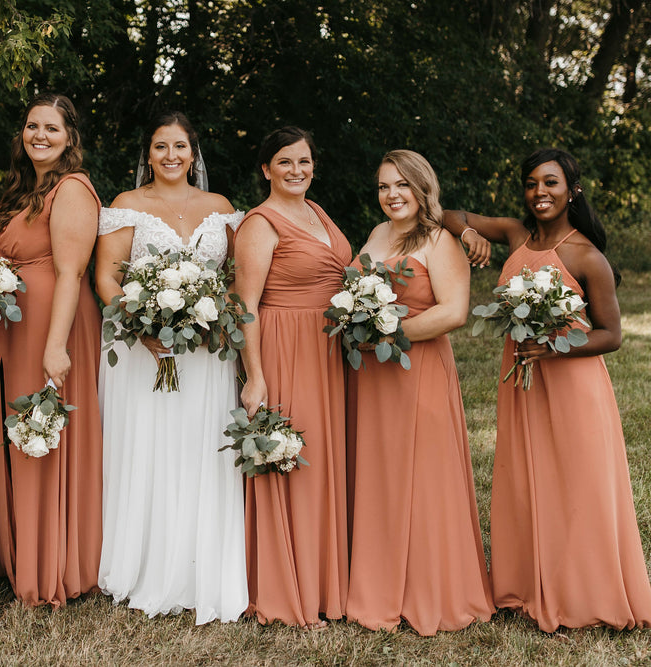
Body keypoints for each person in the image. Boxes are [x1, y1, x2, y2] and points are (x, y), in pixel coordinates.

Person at [444, 147, 651, 632]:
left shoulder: (586, 255)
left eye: (552, 183)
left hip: (572, 384)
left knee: (577, 486)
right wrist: (470, 232)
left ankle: (582, 592)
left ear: (571, 190)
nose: (540, 192)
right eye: (533, 183)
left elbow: (611, 335)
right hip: (522, 385)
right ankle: (525, 586)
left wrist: (556, 346)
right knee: (523, 480)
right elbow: (447, 213)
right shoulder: (518, 235)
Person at [95, 111, 248, 624]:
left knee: (200, 449)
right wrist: (143, 331)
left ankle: (200, 566)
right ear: (148, 154)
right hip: (143, 352)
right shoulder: (126, 206)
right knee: (148, 447)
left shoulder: (221, 208)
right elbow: (107, 279)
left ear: (193, 153)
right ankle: (145, 566)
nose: (170, 156)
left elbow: (230, 279)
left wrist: (214, 318)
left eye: (179, 146)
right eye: (160, 147)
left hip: (205, 352)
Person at [344, 150, 493, 635]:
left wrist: (391, 333)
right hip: (375, 376)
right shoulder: (375, 236)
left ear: (421, 187)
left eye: (401, 185)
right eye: (384, 186)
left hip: (419, 368)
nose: (392, 195)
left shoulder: (439, 240)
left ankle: (432, 590)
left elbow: (454, 312)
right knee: (382, 475)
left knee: (425, 477)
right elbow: (350, 291)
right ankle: (381, 585)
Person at [0, 93, 103, 607]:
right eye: (32, 126)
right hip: (17, 328)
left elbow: (70, 272)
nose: (40, 136)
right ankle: (23, 553)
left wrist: (55, 346)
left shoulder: (72, 189)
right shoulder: (21, 191)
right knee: (24, 433)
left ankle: (54, 563)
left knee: (45, 433)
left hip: (53, 327)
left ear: (70, 137)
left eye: (51, 129)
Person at [235, 127, 352, 627]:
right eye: (284, 162)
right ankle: (289, 588)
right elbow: (245, 306)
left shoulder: (316, 211)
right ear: (266, 169)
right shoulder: (260, 224)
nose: (296, 170)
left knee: (323, 460)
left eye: (303, 161)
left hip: (326, 352)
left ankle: (328, 583)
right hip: (285, 347)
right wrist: (255, 377)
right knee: (294, 461)